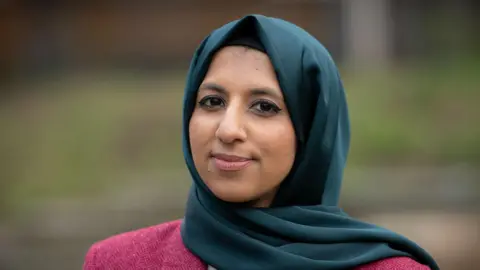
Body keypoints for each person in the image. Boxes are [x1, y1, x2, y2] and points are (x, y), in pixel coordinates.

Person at [83, 14, 439, 270]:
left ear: (312, 131)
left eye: (264, 107)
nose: (227, 129)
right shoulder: (117, 262)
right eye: (212, 101)